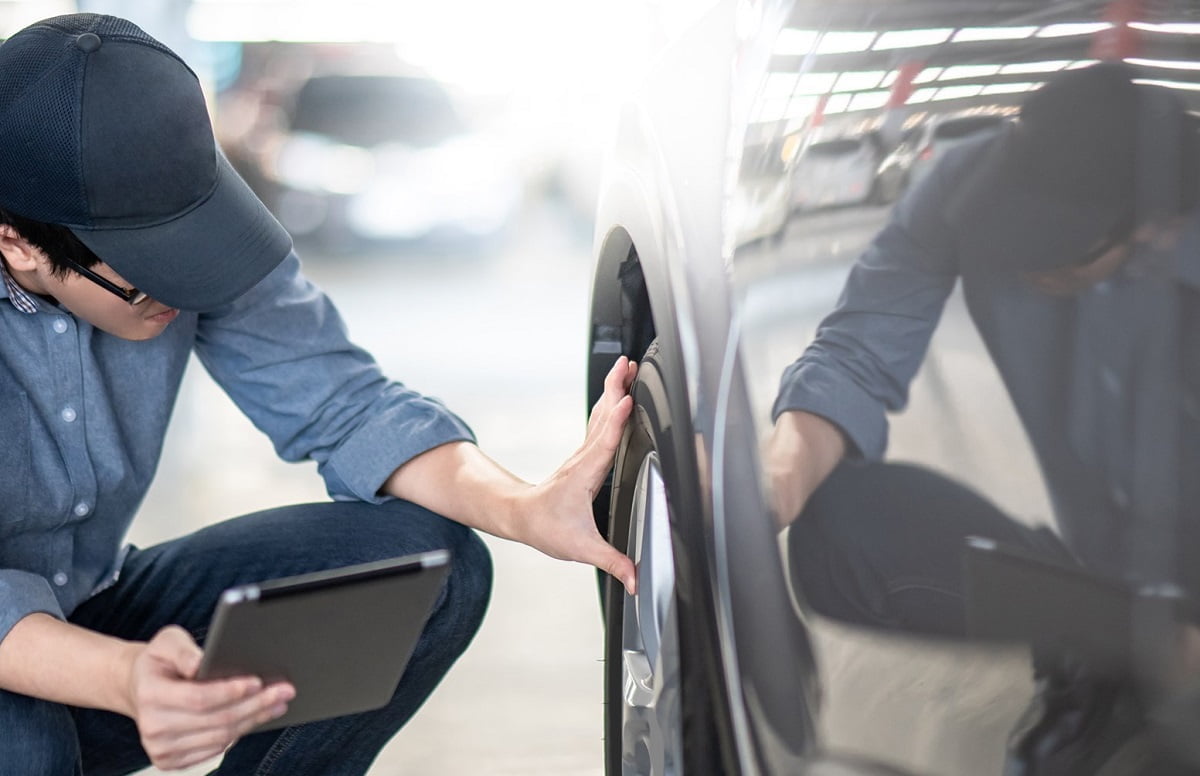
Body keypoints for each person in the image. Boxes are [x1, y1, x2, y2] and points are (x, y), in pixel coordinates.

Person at [0, 13, 638, 775]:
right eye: (150, 277)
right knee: (24, 746)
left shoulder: (176, 223)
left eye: (193, 249)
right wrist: (121, 678)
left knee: (425, 573)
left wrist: (526, 506)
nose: (186, 285)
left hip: (92, 594)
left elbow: (343, 404)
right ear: (20, 244)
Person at [766, 62, 1199, 774]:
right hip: (1102, 582)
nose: (1020, 259)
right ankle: (1114, 654)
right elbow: (856, 352)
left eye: (1054, 252)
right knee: (842, 525)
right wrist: (773, 483)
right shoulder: (973, 186)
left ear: (1149, 230)